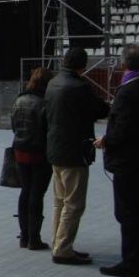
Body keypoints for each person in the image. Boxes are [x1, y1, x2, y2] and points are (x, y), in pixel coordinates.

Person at [43, 47, 110, 265]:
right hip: (74, 152)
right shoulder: (79, 87)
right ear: (82, 65)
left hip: (55, 148)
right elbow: (100, 110)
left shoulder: (52, 83)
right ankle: (63, 249)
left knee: (59, 202)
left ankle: (59, 243)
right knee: (74, 204)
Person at [94, 44, 139, 277]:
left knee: (128, 213)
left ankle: (131, 262)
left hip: (130, 163)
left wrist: (106, 141)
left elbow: (122, 129)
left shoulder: (127, 92)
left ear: (123, 66)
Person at [10, 67, 54, 250]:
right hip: (39, 153)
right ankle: (34, 238)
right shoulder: (45, 103)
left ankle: (24, 236)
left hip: (20, 151)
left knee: (25, 191)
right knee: (37, 194)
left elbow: (14, 125)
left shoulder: (19, 100)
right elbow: (48, 128)